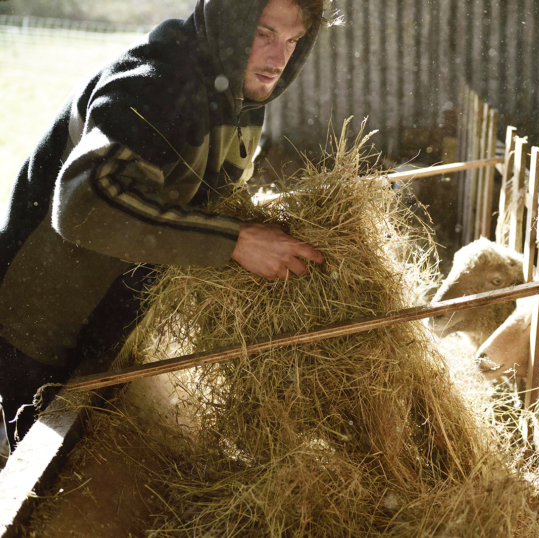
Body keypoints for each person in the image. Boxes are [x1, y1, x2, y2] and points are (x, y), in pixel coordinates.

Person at [0, 0, 328, 447]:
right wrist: (234, 241)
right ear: (229, 21)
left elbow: (207, 197)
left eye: (293, 41)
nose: (278, 59)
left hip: (107, 322)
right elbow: (83, 204)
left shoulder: (240, 92)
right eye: (264, 34)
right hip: (36, 325)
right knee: (32, 476)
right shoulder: (157, 84)